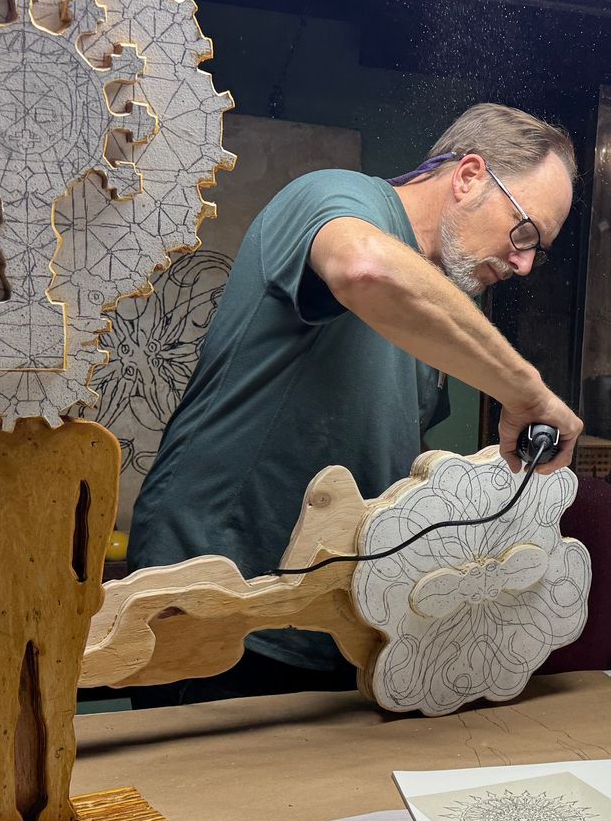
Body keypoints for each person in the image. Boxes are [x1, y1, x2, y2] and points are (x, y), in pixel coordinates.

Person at [126, 103, 584, 699]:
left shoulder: (437, 313)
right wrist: (526, 391)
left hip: (330, 624)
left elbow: (392, 460)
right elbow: (363, 267)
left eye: (537, 250)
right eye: (524, 232)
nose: (523, 263)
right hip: (218, 596)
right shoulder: (335, 194)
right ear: (469, 176)